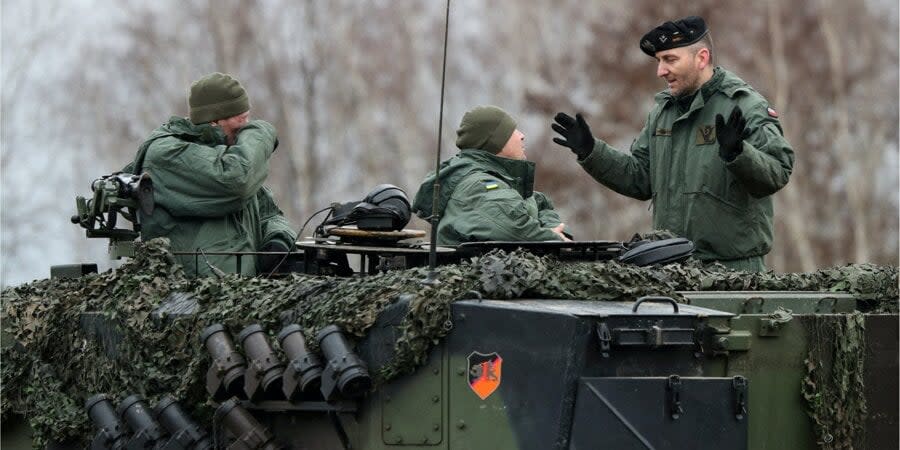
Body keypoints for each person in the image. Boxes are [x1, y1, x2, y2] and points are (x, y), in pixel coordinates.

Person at [552, 16, 794, 272]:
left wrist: (739, 154)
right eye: (659, 61)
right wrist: (591, 151)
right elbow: (641, 177)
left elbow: (778, 171)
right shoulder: (663, 112)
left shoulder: (744, 105)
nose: (661, 71)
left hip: (734, 274)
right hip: (672, 269)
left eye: (670, 59)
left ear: (701, 58)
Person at [124, 72, 296, 277]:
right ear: (213, 121)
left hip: (243, 293)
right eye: (239, 122)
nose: (246, 128)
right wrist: (262, 132)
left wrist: (277, 240)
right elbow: (236, 181)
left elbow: (269, 213)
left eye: (248, 119)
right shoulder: (166, 154)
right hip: (192, 296)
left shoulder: (228, 152)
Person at [413, 105, 569, 245]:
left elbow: (538, 203)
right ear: (495, 142)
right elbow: (516, 229)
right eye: (511, 131)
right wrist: (556, 239)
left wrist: (551, 229)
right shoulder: (477, 185)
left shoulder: (499, 181)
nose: (521, 135)